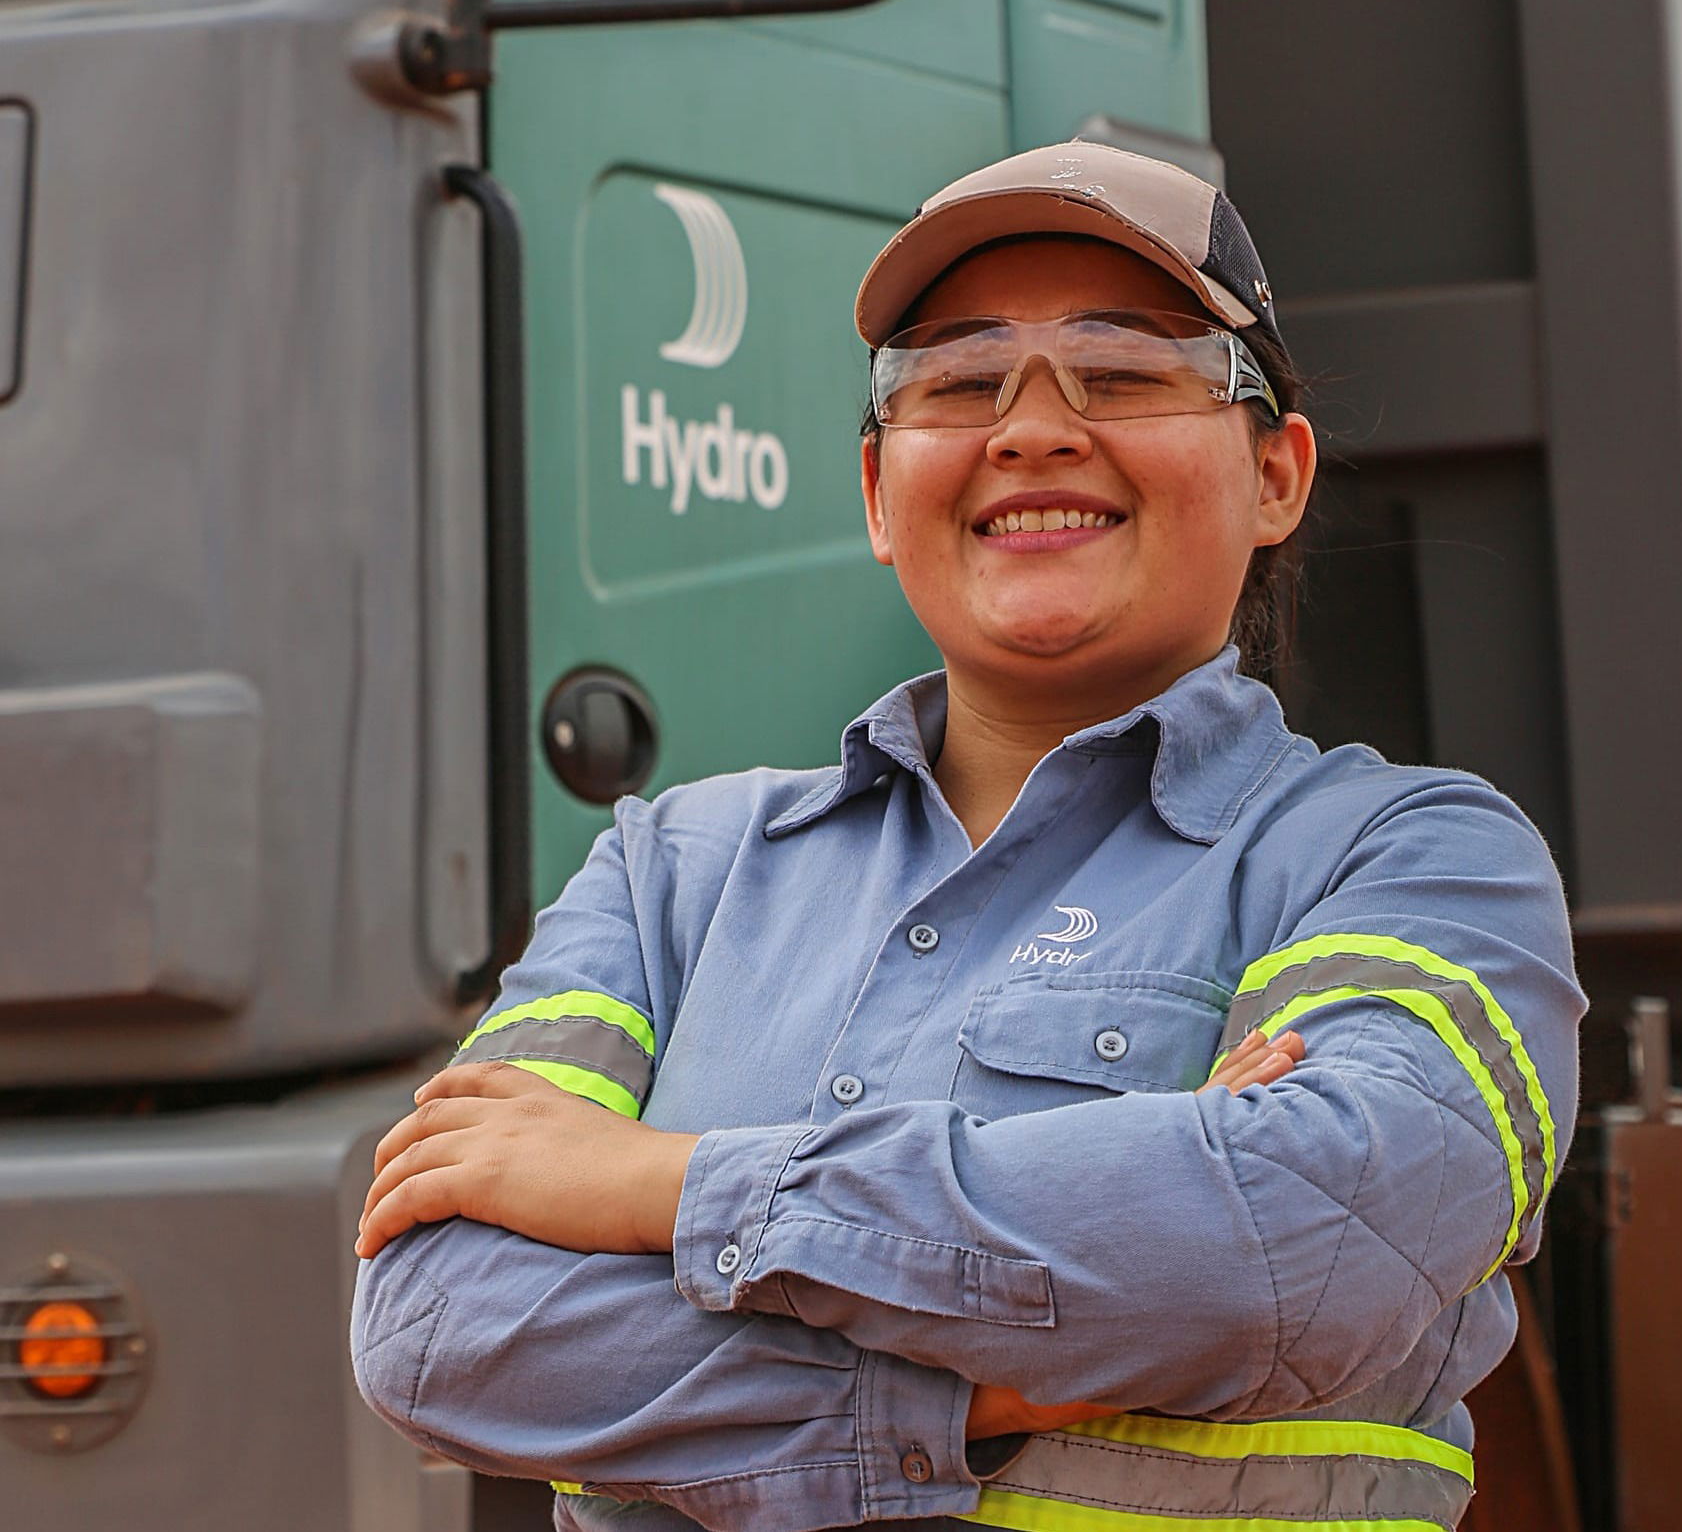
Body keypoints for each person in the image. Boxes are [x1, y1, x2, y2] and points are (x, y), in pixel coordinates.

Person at [351, 139, 1584, 1532]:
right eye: (958, 380)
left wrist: (653, 1185)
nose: (1033, 428)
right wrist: (980, 1391)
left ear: (1278, 474)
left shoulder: (1415, 858)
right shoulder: (669, 876)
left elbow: (1309, 1241)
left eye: (1121, 371)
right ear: (881, 492)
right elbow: (437, 1319)